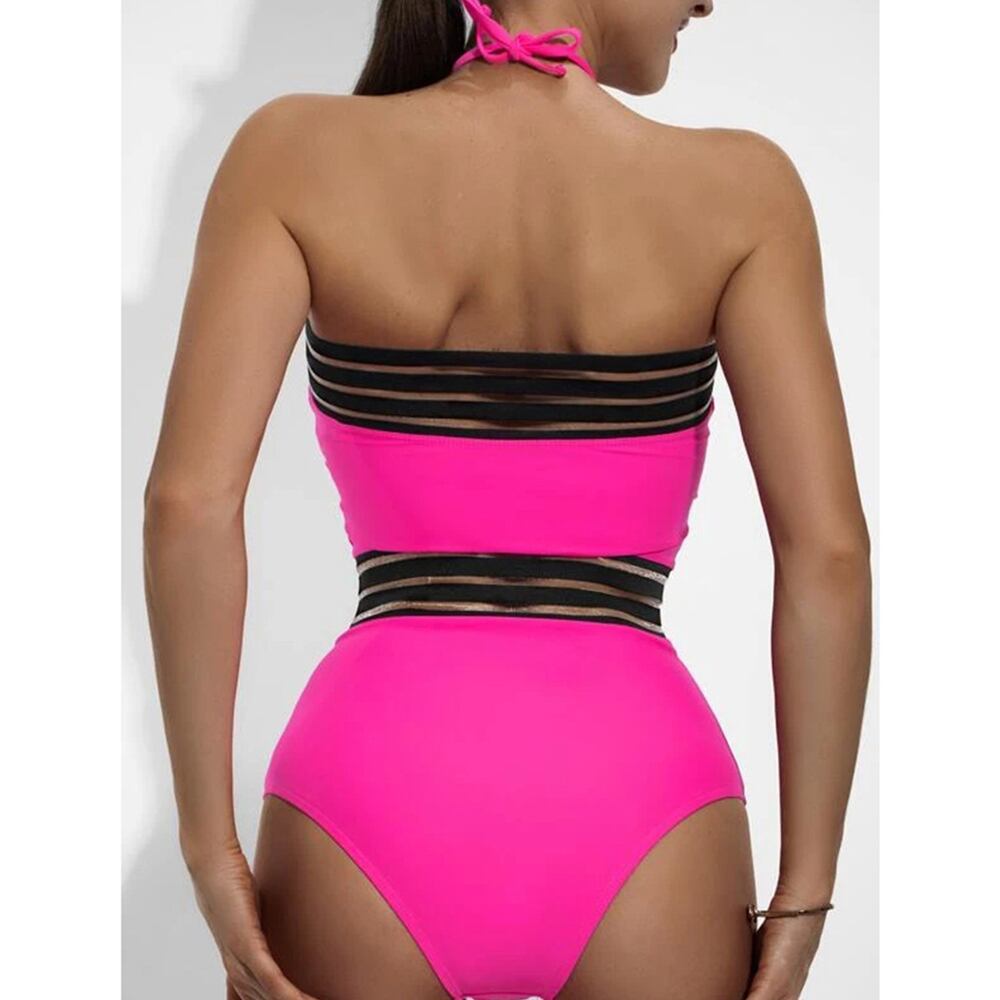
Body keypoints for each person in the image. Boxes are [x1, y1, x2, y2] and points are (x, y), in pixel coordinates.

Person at [143, 1, 872, 998]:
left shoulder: (291, 156)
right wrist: (804, 897)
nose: (707, 0)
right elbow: (828, 556)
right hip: (644, 799)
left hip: (370, 786)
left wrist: (206, 846)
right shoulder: (745, 191)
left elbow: (187, 508)